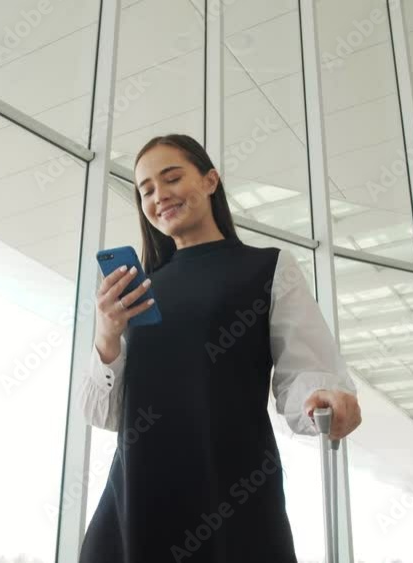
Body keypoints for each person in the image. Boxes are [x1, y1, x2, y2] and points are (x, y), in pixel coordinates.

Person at [78, 134, 361, 563]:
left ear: (211, 180)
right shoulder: (140, 288)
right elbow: (105, 415)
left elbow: (304, 372)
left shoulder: (266, 267)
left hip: (231, 492)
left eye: (171, 178)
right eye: (147, 190)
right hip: (135, 497)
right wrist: (107, 335)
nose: (159, 196)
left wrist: (324, 399)